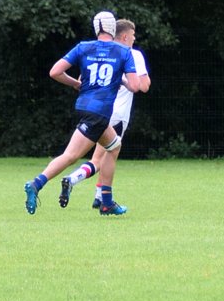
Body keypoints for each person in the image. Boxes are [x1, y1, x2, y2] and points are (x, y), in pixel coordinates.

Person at [24, 11, 145, 216]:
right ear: (112, 28)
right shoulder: (123, 51)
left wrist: (75, 84)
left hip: (85, 107)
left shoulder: (83, 47)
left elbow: (55, 72)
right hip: (99, 112)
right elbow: (135, 86)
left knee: (114, 146)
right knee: (71, 156)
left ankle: (106, 202)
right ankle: (36, 184)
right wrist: (122, 80)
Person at [58, 18, 150, 210]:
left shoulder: (98, 53)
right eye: (133, 35)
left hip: (96, 109)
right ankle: (73, 180)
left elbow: (82, 80)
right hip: (117, 114)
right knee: (104, 157)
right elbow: (143, 86)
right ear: (124, 37)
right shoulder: (133, 54)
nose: (134, 38)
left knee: (101, 157)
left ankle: (100, 197)